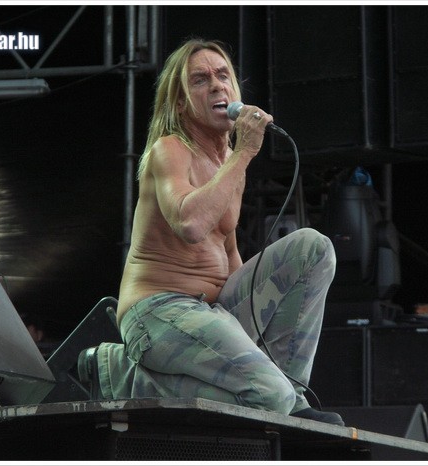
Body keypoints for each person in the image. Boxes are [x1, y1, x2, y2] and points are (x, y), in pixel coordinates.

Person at [81, 38, 343, 426]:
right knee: (269, 397)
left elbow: (228, 251)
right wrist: (244, 152)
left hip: (214, 312)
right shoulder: (170, 149)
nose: (217, 85)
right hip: (159, 312)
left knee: (313, 247)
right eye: (201, 80)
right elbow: (191, 225)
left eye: (223, 76)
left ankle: (292, 395)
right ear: (181, 103)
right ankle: (121, 371)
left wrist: (252, 334)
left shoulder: (229, 163)